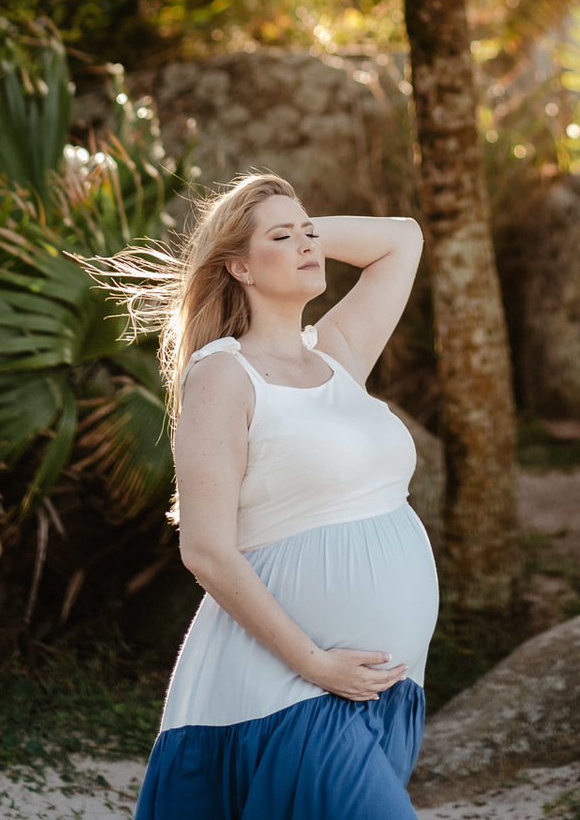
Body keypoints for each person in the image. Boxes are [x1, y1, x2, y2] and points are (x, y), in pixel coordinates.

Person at [92, 171, 438, 819]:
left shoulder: (336, 356)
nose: (310, 245)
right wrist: (317, 665)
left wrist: (286, 235)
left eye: (312, 233)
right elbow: (206, 550)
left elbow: (402, 239)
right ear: (239, 268)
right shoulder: (224, 373)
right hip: (291, 691)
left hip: (380, 689)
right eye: (285, 238)